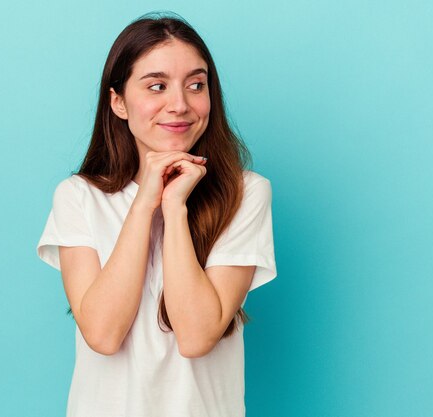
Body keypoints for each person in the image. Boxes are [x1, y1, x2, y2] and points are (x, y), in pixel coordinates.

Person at [36, 11, 277, 417]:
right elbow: (103, 333)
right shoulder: (78, 197)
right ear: (118, 102)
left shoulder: (245, 192)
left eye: (196, 85)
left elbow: (197, 336)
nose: (180, 105)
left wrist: (174, 206)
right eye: (157, 86)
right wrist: (144, 202)